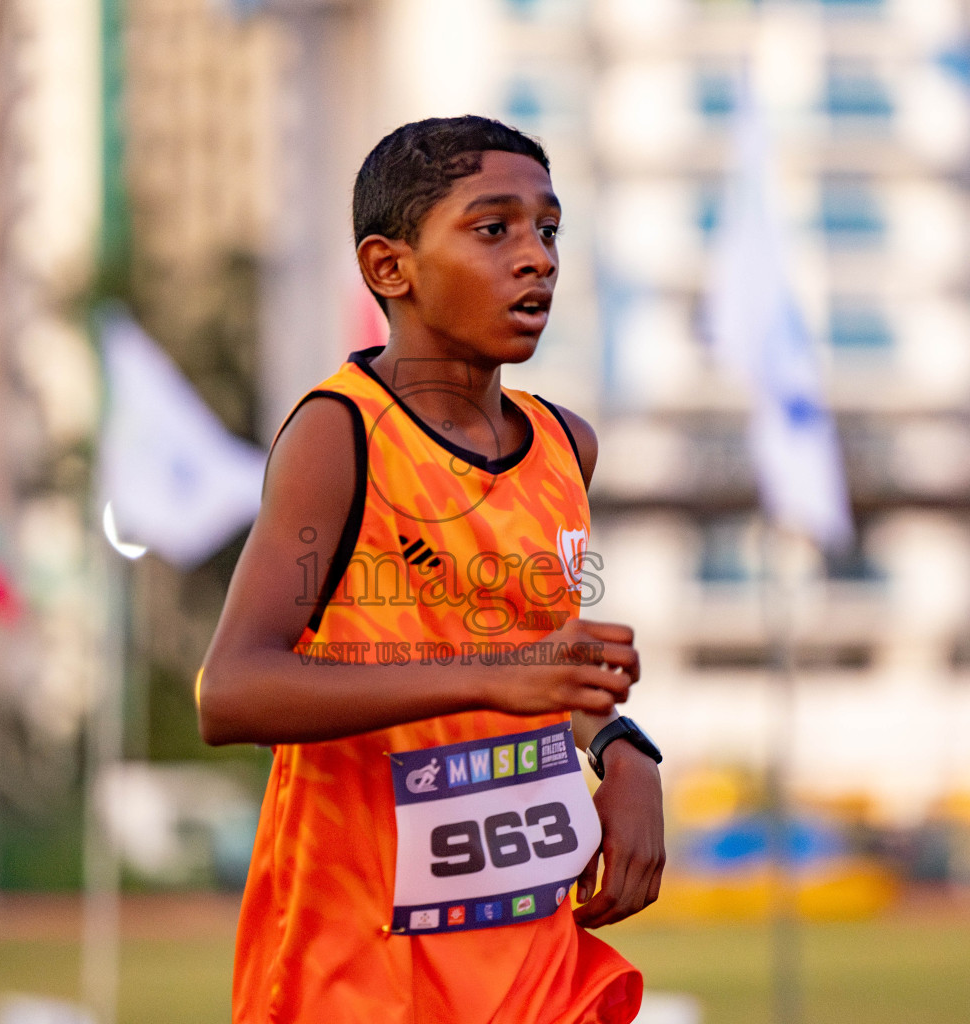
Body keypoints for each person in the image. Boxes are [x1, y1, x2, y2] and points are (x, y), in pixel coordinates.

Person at [198, 116, 666, 1023]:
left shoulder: (567, 446)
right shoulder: (341, 434)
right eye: (495, 230)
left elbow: (542, 668)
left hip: (525, 952)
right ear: (389, 268)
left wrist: (621, 748)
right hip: (360, 964)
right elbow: (233, 692)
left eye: (549, 228)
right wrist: (497, 678)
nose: (537, 258)